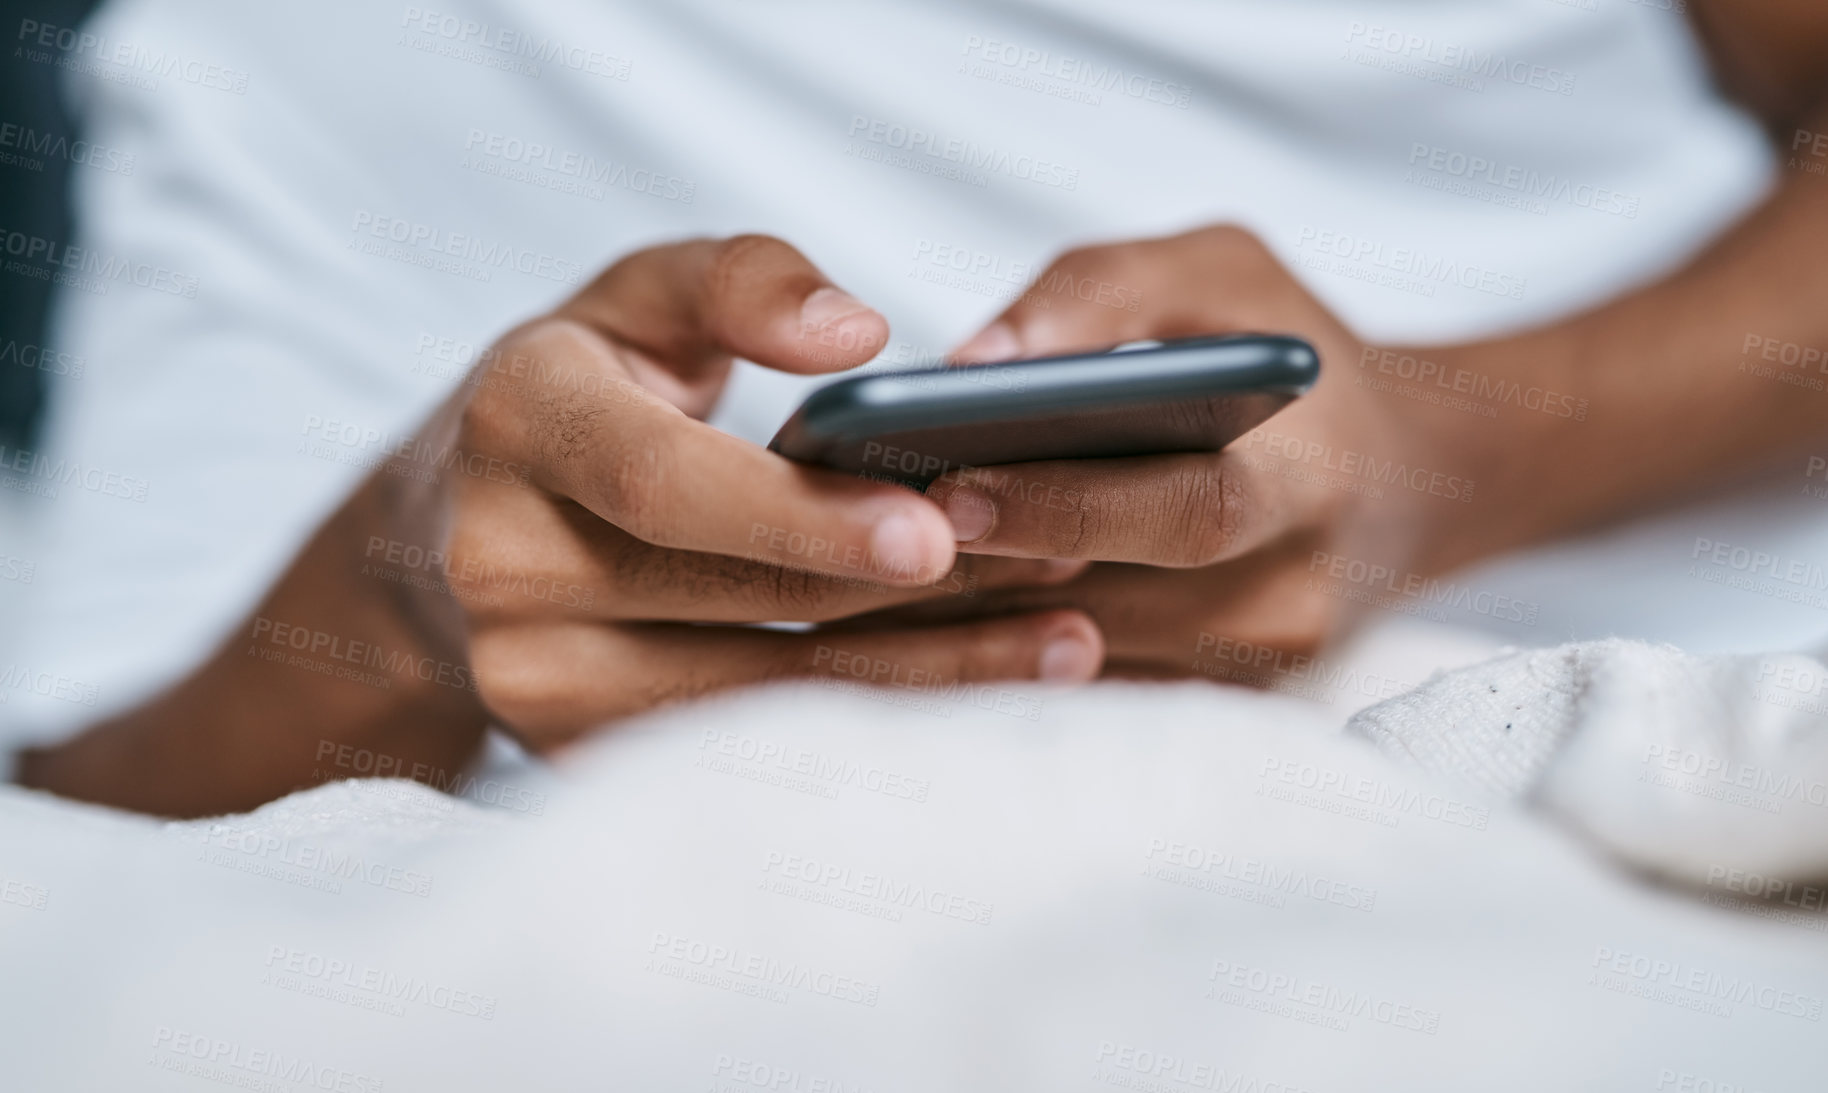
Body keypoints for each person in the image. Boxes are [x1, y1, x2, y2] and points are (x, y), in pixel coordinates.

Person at [8, 0, 1828, 815]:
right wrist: (392, 605)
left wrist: (1449, 461)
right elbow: (86, 822)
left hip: (1620, 711)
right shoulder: (295, 61)